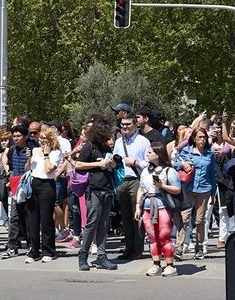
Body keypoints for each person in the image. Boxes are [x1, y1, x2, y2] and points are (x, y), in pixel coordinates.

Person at [73, 119, 119, 272]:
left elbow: (109, 164)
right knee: (92, 223)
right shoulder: (89, 146)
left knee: (104, 224)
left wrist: (111, 164)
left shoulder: (105, 147)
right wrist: (98, 164)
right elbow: (78, 165)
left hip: (106, 189)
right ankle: (83, 254)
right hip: (93, 189)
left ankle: (101, 255)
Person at [136, 142, 181, 277]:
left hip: (162, 206)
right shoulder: (145, 171)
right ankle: (156, 263)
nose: (147, 154)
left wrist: (162, 186)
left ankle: (170, 265)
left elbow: (177, 189)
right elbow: (141, 188)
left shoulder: (169, 171)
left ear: (157, 154)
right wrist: (138, 206)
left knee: (163, 236)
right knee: (151, 236)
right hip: (148, 206)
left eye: (150, 152)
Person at [174, 126, 217, 259]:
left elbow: (213, 174)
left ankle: (199, 248)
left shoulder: (210, 154)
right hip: (188, 188)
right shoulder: (187, 151)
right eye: (199, 137)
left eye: (204, 137)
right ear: (194, 138)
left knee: (200, 220)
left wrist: (213, 193)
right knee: (184, 219)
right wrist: (183, 164)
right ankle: (179, 248)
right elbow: (175, 164)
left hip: (204, 189)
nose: (202, 140)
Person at [113, 114, 151, 261]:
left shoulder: (143, 141)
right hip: (121, 181)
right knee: (126, 218)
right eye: (122, 125)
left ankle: (138, 248)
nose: (124, 127)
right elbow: (115, 159)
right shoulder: (118, 142)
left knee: (137, 216)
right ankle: (129, 248)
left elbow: (149, 162)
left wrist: (135, 162)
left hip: (136, 180)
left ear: (135, 125)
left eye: (128, 124)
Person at [25, 126, 63, 263]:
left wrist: (46, 154)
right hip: (34, 183)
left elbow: (48, 169)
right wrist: (29, 159)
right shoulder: (35, 150)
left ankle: (49, 250)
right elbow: (28, 168)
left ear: (51, 140)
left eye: (45, 139)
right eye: (40, 138)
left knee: (46, 218)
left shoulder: (56, 153)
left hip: (47, 185)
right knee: (32, 219)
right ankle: (34, 250)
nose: (42, 141)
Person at [1, 124, 32, 259]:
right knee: (14, 217)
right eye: (14, 136)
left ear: (25, 136)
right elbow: (10, 165)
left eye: (19, 136)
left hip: (28, 185)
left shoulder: (31, 148)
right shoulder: (12, 150)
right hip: (15, 185)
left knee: (28, 216)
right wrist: (10, 175)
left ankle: (32, 245)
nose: (16, 138)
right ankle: (12, 246)